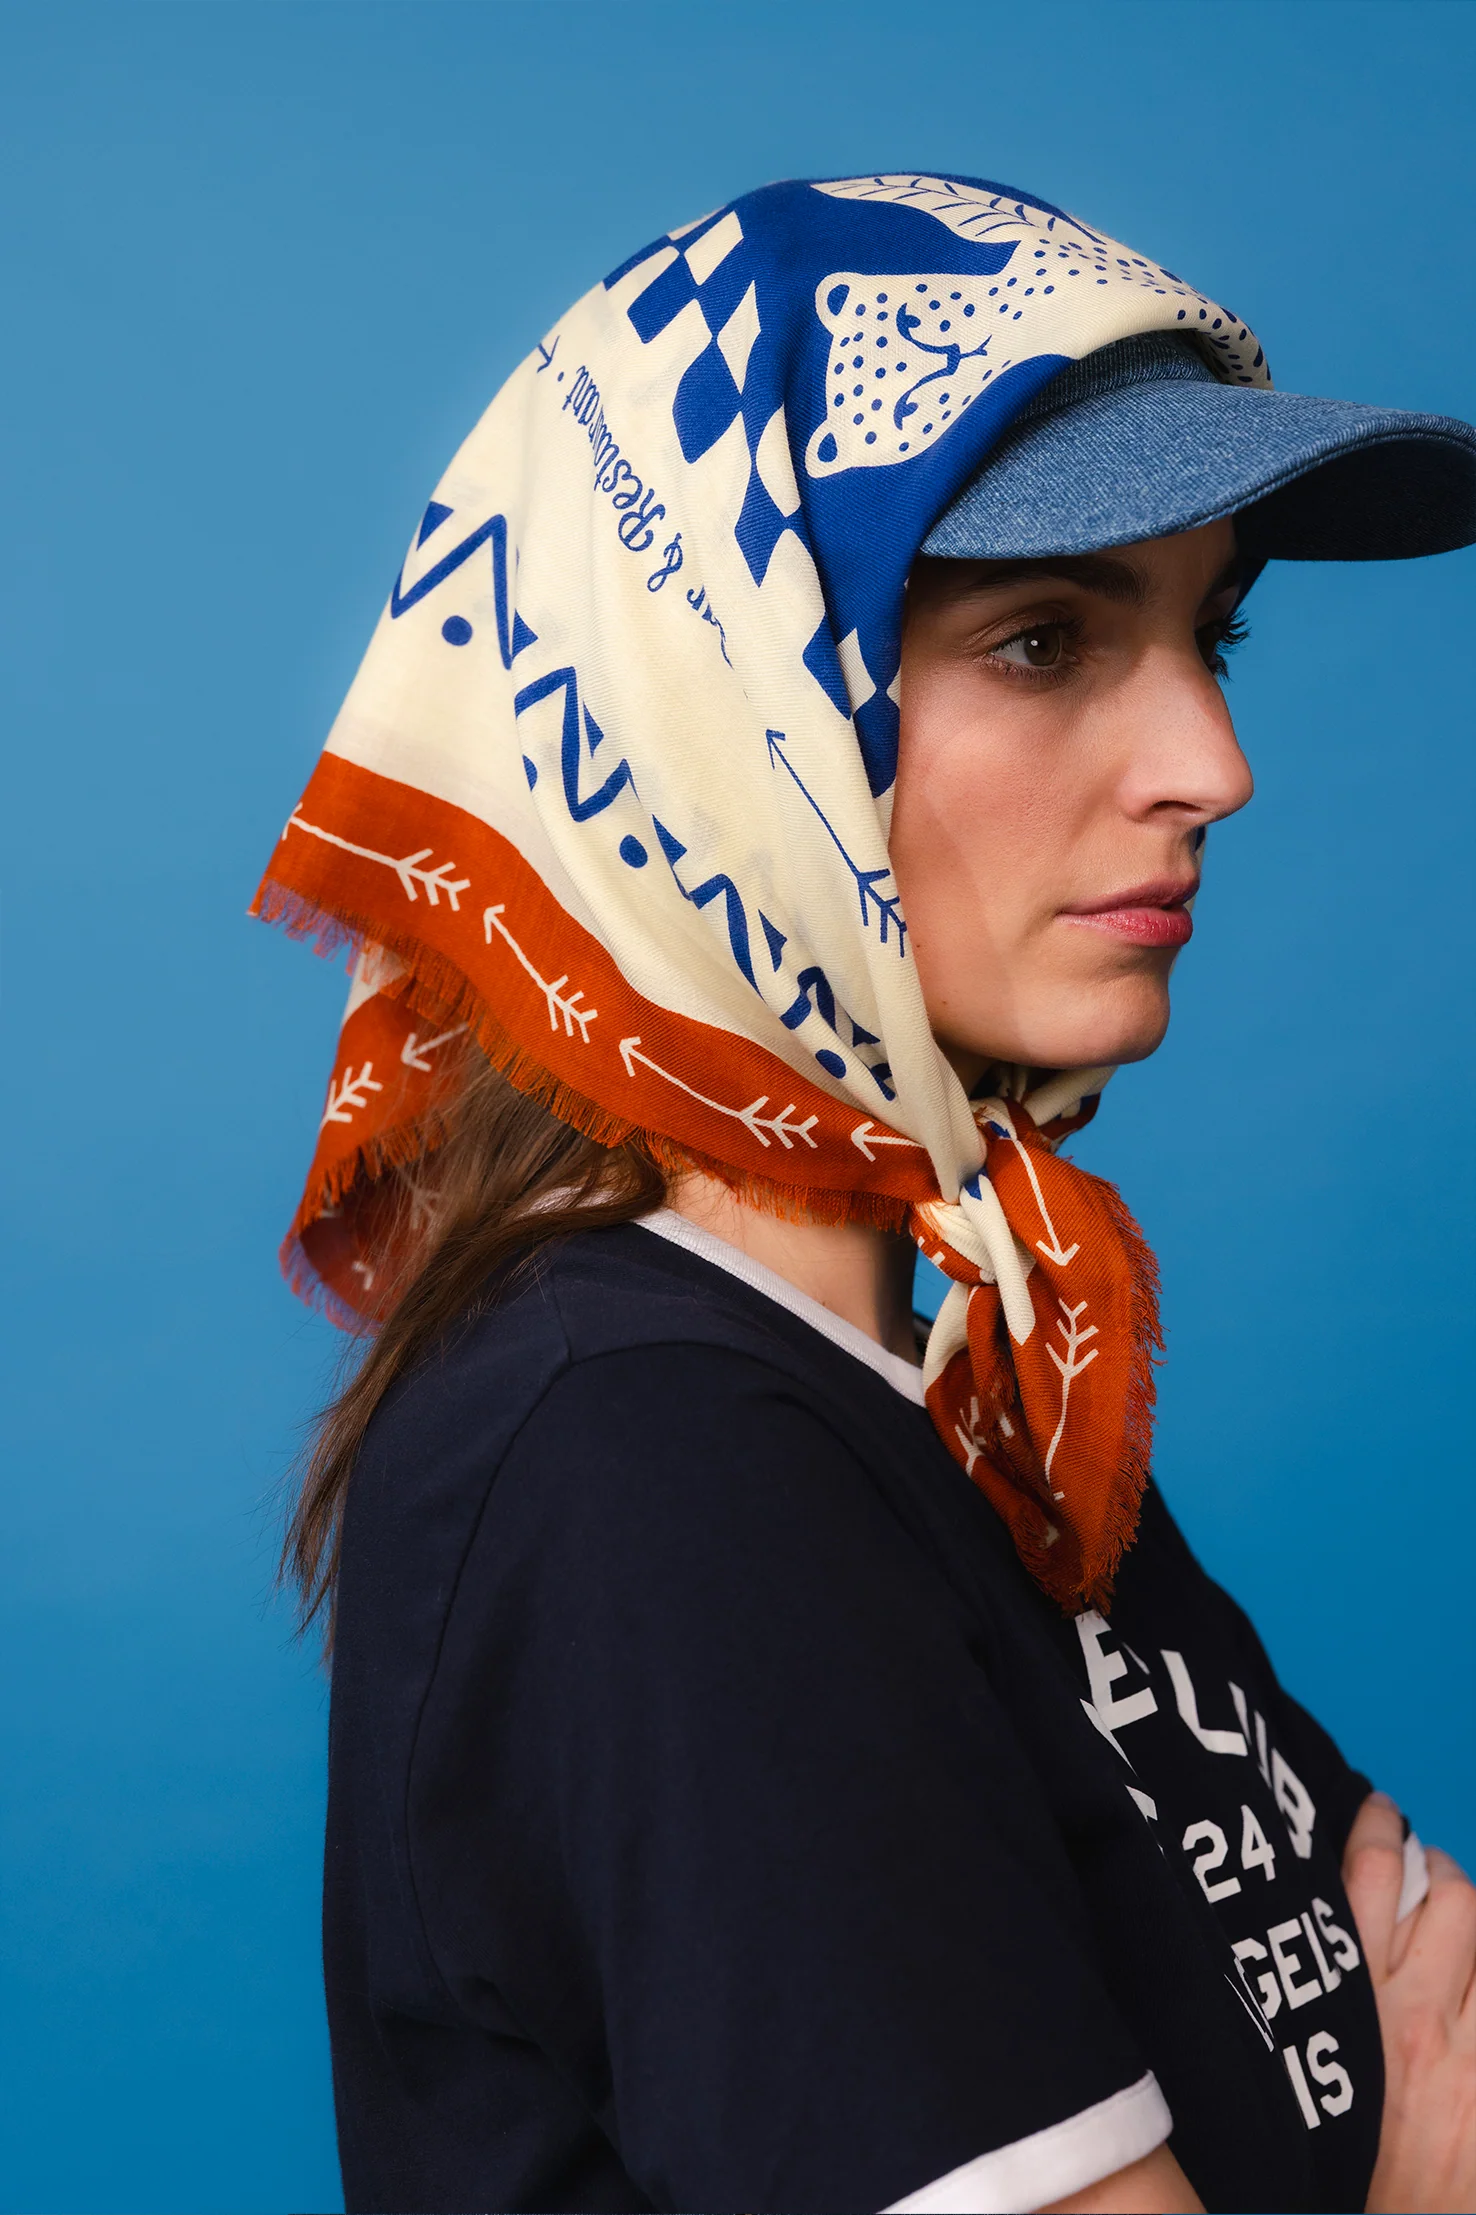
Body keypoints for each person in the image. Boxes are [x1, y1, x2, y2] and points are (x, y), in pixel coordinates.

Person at [254, 173, 1476, 2214]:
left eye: (1212, 632)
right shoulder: (660, 1463)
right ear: (720, 717)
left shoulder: (963, 1370)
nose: (1214, 761)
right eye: (1046, 638)